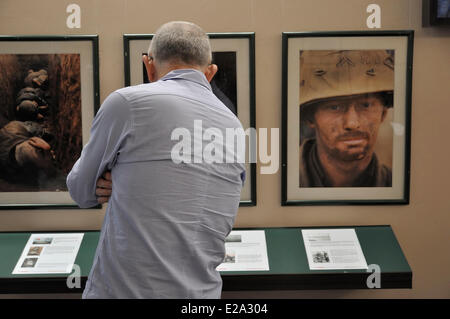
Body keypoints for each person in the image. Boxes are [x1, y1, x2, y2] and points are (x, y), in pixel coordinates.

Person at [66, 21, 245, 299]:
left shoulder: (126, 103)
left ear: (149, 65)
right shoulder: (234, 126)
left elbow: (81, 190)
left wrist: (117, 180)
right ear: (210, 73)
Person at [299, 50, 394, 187]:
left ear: (383, 113)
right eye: (334, 107)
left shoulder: (396, 185)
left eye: (365, 105)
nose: (352, 123)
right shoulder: (281, 183)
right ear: (310, 118)